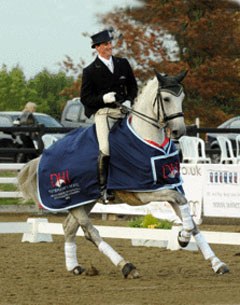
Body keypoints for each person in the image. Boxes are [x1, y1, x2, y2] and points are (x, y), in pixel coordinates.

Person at [80, 29, 138, 200]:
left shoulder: (123, 63)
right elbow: (86, 98)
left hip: (124, 110)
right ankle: (104, 189)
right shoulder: (90, 71)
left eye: (110, 43)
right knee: (105, 148)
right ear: (97, 47)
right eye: (105, 44)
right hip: (104, 113)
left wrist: (129, 100)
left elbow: (133, 87)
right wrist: (103, 99)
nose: (109, 46)